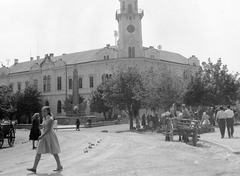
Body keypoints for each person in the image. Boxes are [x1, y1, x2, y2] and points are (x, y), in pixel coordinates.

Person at [27, 106, 63, 173]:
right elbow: (43, 128)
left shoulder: (51, 119)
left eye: (44, 111)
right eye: (42, 111)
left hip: (50, 136)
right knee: (38, 151)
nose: (42, 112)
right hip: (44, 136)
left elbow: (49, 129)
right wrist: (41, 135)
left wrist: (42, 136)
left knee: (54, 151)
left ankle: (59, 165)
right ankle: (34, 168)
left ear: (48, 111)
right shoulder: (44, 118)